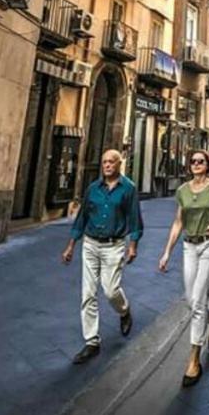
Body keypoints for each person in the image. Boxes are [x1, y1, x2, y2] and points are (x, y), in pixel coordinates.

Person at [158, 150, 209, 387]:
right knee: (191, 300)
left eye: (200, 161)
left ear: (208, 165)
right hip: (189, 246)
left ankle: (193, 360)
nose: (196, 164)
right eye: (192, 161)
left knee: (199, 302)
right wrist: (167, 252)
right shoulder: (182, 190)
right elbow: (178, 222)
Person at [63, 148, 142, 364]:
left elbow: (134, 219)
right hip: (90, 244)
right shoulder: (93, 189)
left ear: (119, 164)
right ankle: (92, 341)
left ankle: (124, 311)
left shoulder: (128, 188)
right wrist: (71, 246)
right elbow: (81, 218)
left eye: (111, 162)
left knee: (110, 290)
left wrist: (133, 246)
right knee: (88, 294)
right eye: (104, 162)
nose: (107, 165)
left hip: (113, 245)